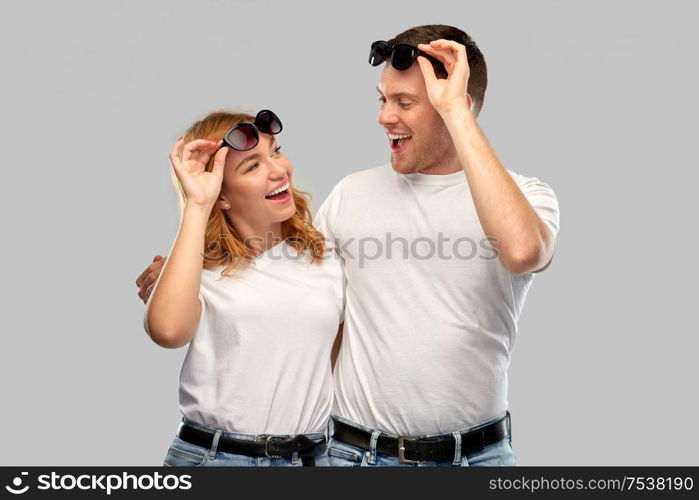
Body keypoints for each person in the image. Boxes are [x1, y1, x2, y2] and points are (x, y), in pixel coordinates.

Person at [137, 24, 560, 467]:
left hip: (479, 456)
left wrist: (455, 111)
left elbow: (523, 251)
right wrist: (179, 275)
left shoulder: (527, 196)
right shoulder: (350, 196)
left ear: (457, 105)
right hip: (355, 455)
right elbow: (284, 282)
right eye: (383, 99)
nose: (384, 117)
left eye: (405, 103)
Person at [139, 109, 344, 467]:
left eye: (276, 151)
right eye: (252, 166)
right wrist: (197, 204)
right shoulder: (197, 272)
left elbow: (339, 361)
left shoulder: (326, 259)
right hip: (217, 459)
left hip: (310, 458)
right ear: (222, 196)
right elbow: (168, 331)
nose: (279, 170)